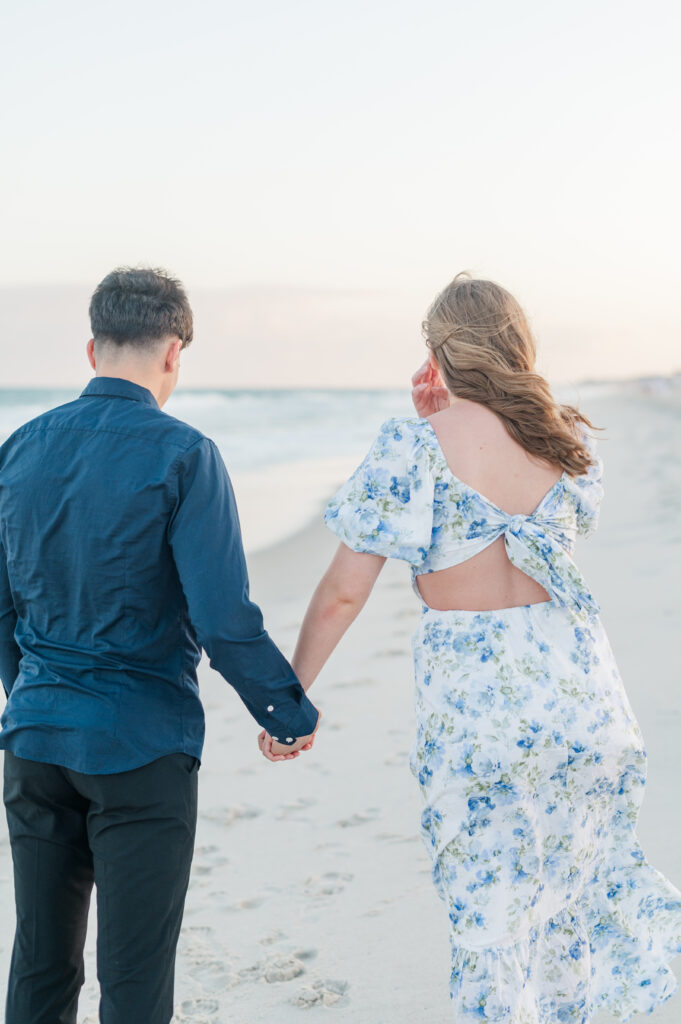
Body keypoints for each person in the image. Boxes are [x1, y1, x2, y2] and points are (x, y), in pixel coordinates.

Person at [259, 272, 681, 1021]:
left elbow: (343, 592)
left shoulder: (413, 447)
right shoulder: (570, 441)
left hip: (481, 714)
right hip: (583, 701)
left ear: (437, 353)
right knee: (566, 915)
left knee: (490, 925)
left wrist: (289, 694)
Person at [0, 266, 320, 1024]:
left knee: (40, 964)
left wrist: (32, 694)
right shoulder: (184, 454)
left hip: (36, 742)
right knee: (135, 982)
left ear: (91, 348)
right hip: (141, 747)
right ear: (174, 351)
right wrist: (285, 713)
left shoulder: (18, 449)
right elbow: (222, 617)